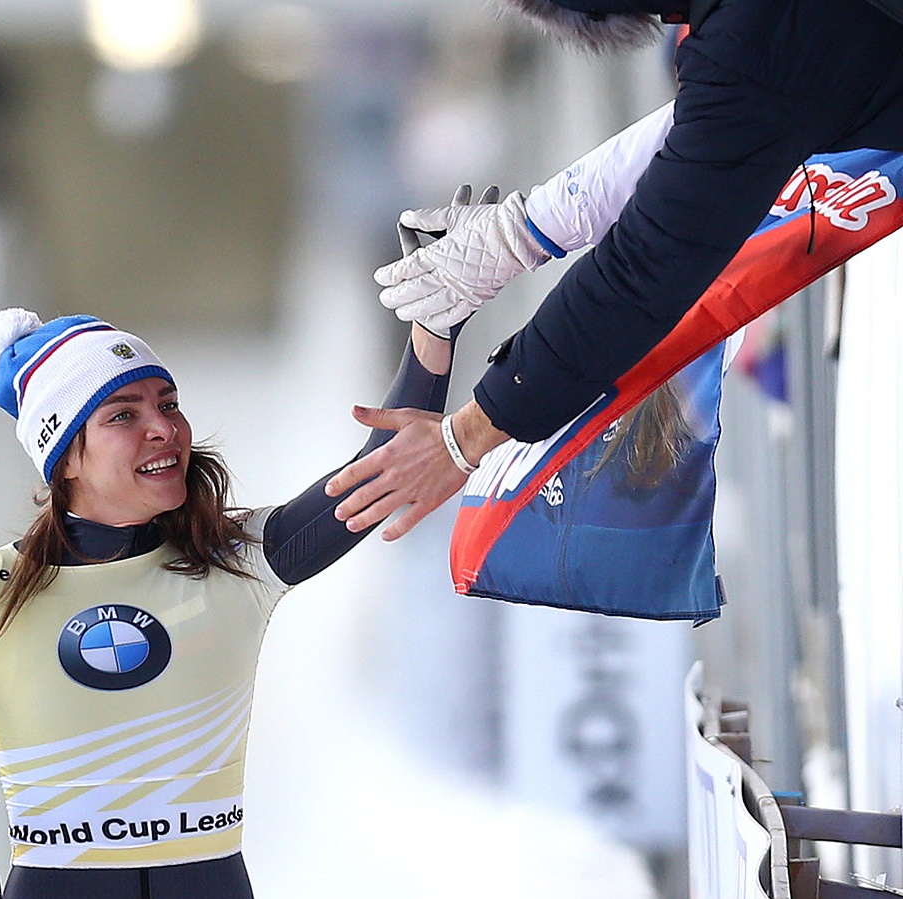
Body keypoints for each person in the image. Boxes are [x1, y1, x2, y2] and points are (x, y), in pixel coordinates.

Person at [0, 307, 459, 899]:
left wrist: (435, 322)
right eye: (124, 416)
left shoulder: (236, 560)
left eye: (168, 404)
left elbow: (383, 469)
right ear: (65, 456)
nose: (163, 428)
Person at [324, 0, 903, 540]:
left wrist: (465, 438)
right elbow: (707, 128)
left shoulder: (751, 52)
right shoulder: (746, 49)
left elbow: (645, 268)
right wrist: (527, 229)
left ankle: (767, 352)